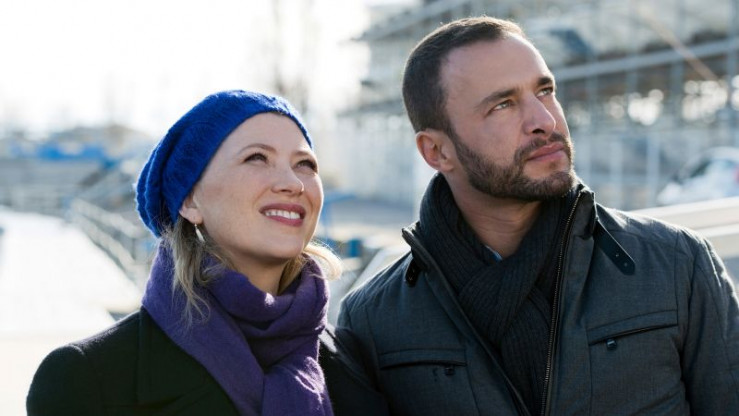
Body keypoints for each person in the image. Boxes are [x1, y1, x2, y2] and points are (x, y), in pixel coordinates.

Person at [326, 16, 739, 415]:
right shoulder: (375, 320)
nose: (545, 120)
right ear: (437, 151)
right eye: (503, 105)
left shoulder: (676, 265)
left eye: (545, 91)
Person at [27, 90, 342, 416]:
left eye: (305, 164)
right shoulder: (85, 378)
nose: (293, 183)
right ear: (190, 200)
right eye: (257, 158)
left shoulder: (350, 359)